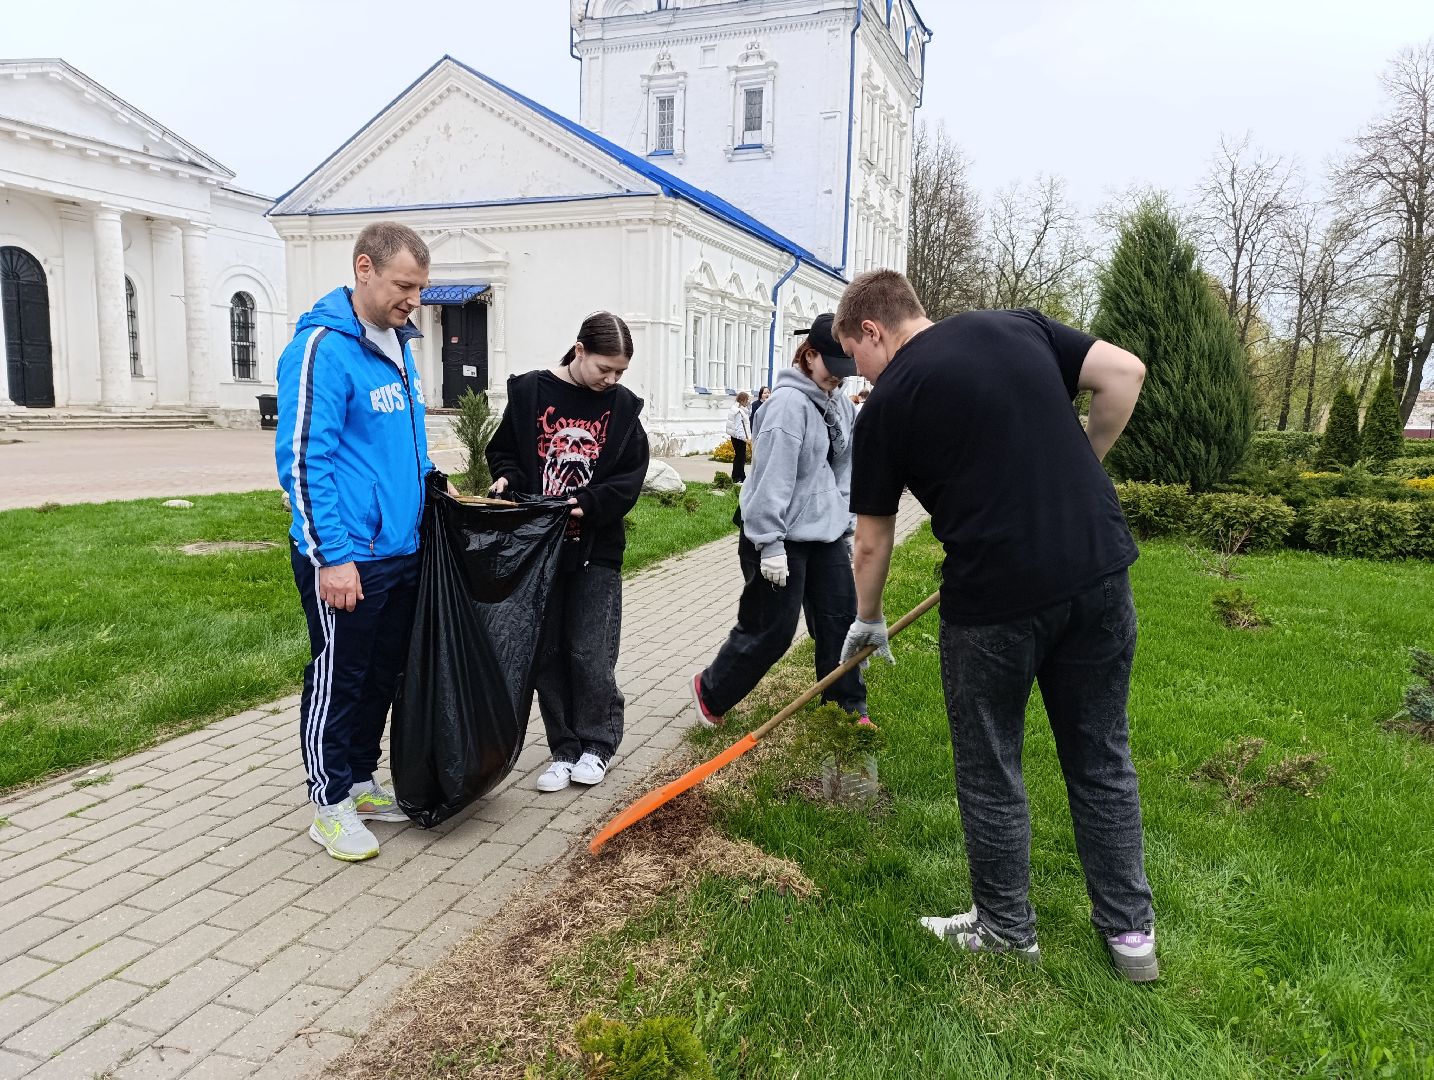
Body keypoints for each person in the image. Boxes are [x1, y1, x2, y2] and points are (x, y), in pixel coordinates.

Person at [834, 269, 1157, 982]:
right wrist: (1085, 463)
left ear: (872, 330)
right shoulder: (1018, 326)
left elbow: (871, 541)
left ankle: (1008, 930)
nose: (858, 375)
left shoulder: (886, 407)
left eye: (855, 357)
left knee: (991, 766)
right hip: (1099, 573)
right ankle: (1132, 936)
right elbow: (1124, 375)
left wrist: (868, 619)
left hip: (994, 603)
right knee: (1102, 755)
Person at [275, 221, 444, 863]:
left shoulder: (399, 343)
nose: (414, 300)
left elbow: (408, 440)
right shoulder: (322, 348)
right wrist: (333, 557)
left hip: (400, 549)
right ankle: (329, 802)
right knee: (339, 677)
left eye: (421, 289)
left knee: (383, 675)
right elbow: (301, 461)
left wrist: (430, 492)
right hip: (347, 557)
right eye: (405, 285)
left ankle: (362, 781)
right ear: (364, 268)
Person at [486, 312, 650, 792]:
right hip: (539, 551)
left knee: (591, 652)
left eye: (620, 372)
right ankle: (563, 748)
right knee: (548, 652)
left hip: (596, 551)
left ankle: (598, 745)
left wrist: (589, 505)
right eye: (605, 368)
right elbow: (505, 453)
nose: (612, 380)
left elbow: (629, 479)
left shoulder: (621, 409)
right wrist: (508, 479)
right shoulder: (529, 394)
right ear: (579, 350)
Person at [691, 314, 868, 730]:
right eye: (833, 369)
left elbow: (845, 470)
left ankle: (845, 709)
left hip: (823, 534)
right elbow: (771, 478)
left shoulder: (841, 404)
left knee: (839, 619)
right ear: (809, 356)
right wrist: (769, 543)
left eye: (847, 371)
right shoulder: (785, 406)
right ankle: (711, 691)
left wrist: (844, 524)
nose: (839, 380)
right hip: (775, 534)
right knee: (773, 629)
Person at [726, 391, 753, 483]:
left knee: (741, 457)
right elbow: (738, 427)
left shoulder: (740, 409)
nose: (748, 401)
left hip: (738, 437)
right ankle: (737, 477)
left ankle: (741, 475)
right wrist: (745, 439)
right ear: (742, 400)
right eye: (747, 400)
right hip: (738, 438)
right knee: (740, 457)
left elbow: (749, 413)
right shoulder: (738, 411)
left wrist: (749, 405)